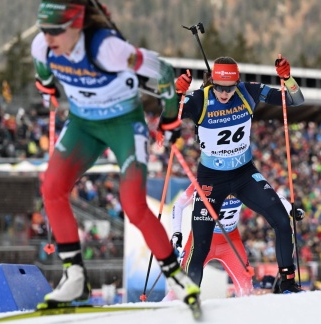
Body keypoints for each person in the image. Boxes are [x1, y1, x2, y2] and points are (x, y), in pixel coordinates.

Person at [30, 0, 199, 308]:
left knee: (133, 205)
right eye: (44, 29)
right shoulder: (42, 46)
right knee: (52, 188)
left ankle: (176, 275)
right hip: (83, 124)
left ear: (78, 24)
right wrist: (47, 88)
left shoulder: (108, 49)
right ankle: (75, 278)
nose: (49, 37)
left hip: (123, 124)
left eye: (57, 29)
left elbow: (162, 70)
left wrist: (170, 116)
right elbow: (43, 71)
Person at [159, 56, 305, 293]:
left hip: (244, 174)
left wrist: (287, 79)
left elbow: (295, 99)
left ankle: (287, 283)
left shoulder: (248, 92)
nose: (224, 93)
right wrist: (176, 94)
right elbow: (167, 116)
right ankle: (190, 297)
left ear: (237, 84)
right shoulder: (200, 100)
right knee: (200, 245)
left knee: (280, 219)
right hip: (211, 180)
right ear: (212, 83)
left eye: (229, 88)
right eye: (218, 87)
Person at [163, 183, 304, 300]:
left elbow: (270, 194)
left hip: (230, 242)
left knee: (246, 290)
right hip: (200, 240)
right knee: (182, 287)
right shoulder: (203, 180)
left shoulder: (239, 180)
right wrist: (177, 232)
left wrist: (291, 209)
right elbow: (178, 205)